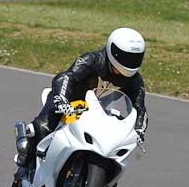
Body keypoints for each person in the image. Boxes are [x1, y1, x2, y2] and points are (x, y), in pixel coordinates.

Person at [15, 27, 148, 170]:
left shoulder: (135, 80)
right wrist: (62, 100)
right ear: (113, 50)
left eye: (135, 58)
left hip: (99, 112)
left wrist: (139, 129)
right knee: (42, 127)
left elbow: (139, 107)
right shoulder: (92, 60)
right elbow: (66, 77)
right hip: (69, 103)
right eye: (126, 57)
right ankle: (27, 155)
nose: (130, 62)